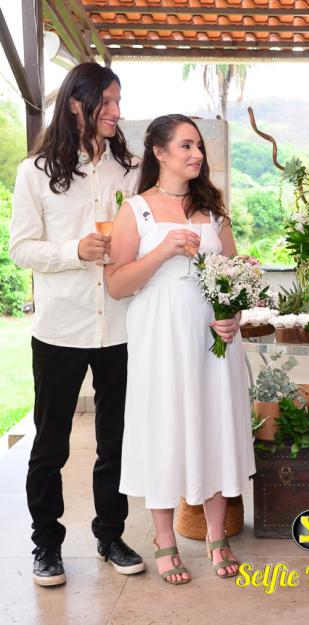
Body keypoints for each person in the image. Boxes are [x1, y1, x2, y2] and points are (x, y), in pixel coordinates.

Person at [105, 114, 255, 585]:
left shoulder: (213, 210)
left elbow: (235, 277)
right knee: (165, 426)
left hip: (213, 339)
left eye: (199, 147)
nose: (197, 154)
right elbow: (116, 284)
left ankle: (216, 535)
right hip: (159, 336)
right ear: (159, 152)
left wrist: (233, 315)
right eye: (186, 146)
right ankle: (165, 538)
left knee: (215, 423)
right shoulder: (136, 210)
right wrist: (164, 250)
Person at [9, 63, 144, 587]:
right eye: (106, 102)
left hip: (121, 327)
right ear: (75, 104)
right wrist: (75, 251)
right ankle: (46, 545)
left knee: (116, 441)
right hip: (60, 329)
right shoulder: (35, 171)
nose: (115, 112)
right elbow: (21, 248)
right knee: (51, 445)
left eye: (117, 102)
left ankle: (111, 536)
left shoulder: (131, 170)